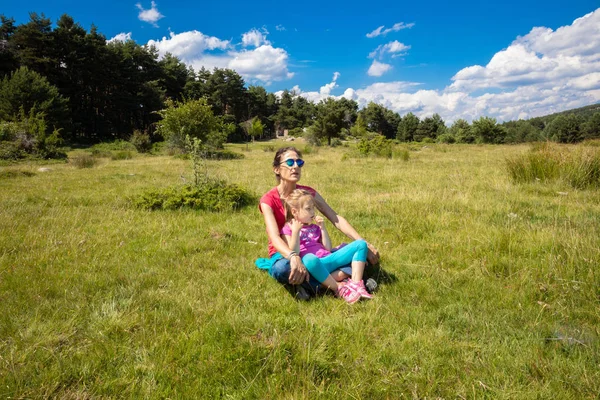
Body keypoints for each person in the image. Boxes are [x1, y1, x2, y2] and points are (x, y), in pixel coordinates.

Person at [256, 146, 380, 299]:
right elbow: (274, 237)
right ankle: (341, 282)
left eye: (299, 162)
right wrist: (293, 256)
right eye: (289, 162)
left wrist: (363, 242)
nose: (296, 166)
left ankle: (317, 285)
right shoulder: (268, 200)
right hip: (284, 253)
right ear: (276, 169)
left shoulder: (307, 193)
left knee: (360, 252)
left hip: (314, 251)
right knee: (283, 269)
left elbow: (335, 218)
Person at [281, 189, 373, 304]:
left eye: (313, 208)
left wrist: (322, 228)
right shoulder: (288, 228)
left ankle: (356, 285)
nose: (312, 212)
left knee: (361, 244)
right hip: (313, 265)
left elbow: (328, 248)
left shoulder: (314, 228)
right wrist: (295, 232)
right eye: (308, 209)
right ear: (294, 212)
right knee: (309, 258)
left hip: (328, 260)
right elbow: (294, 252)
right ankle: (338, 288)